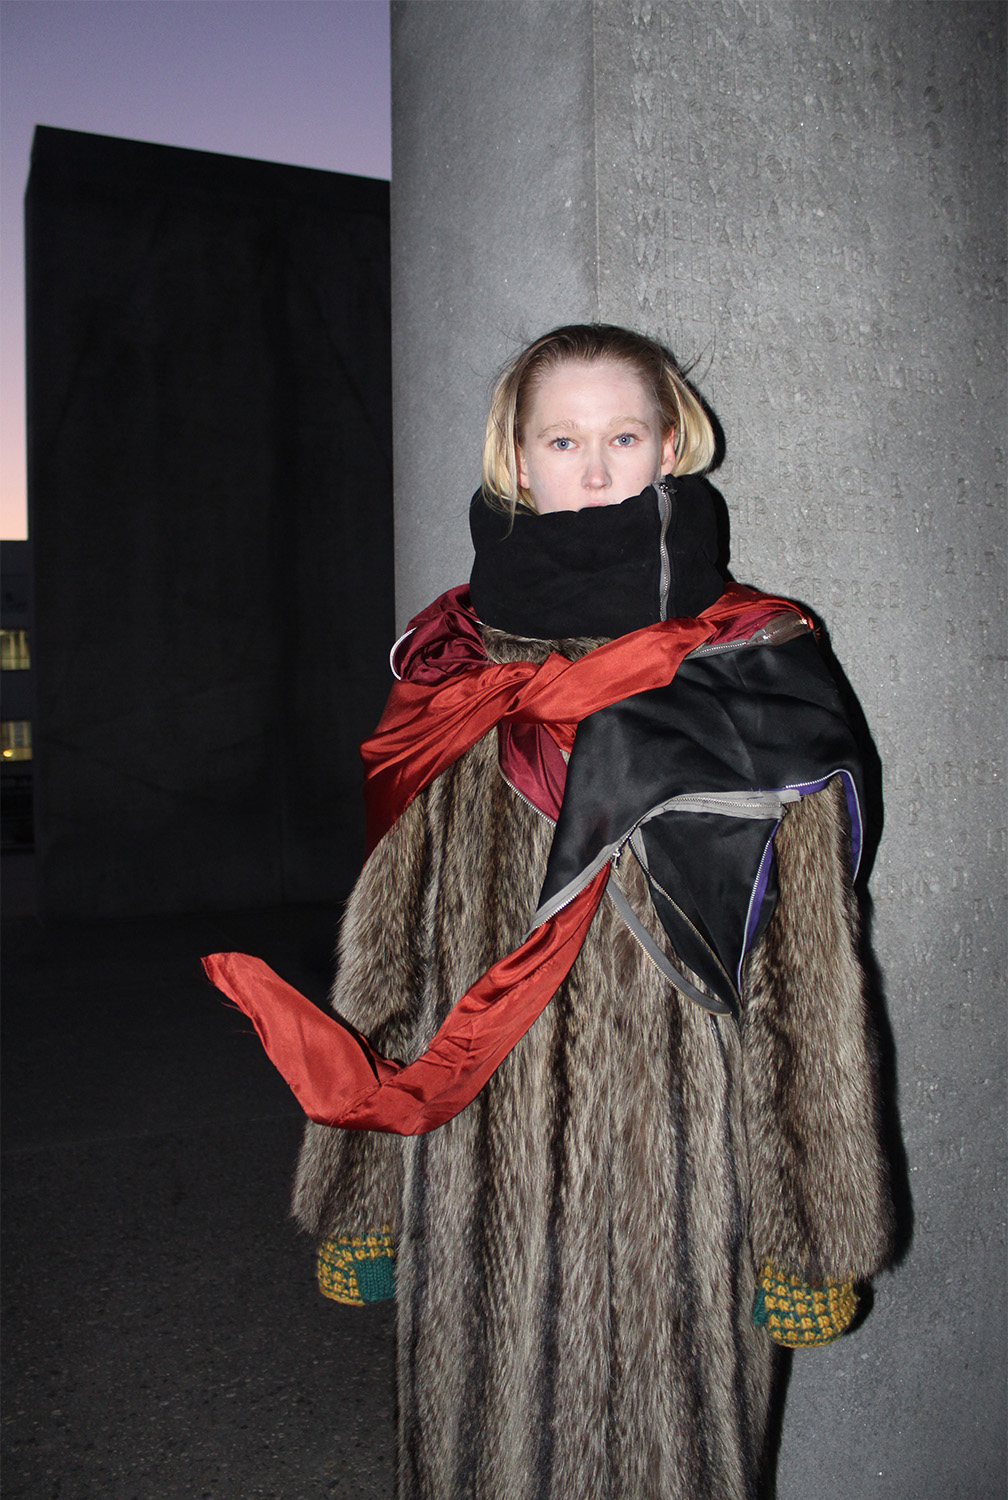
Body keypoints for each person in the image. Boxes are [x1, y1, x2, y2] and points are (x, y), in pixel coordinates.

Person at [204, 323, 893, 1500]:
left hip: (683, 1195)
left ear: (670, 447)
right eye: (561, 438)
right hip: (477, 1203)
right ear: (515, 462)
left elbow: (811, 978)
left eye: (622, 436)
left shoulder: (757, 669)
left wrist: (811, 1224)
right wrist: (360, 1194)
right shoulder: (448, 679)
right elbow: (384, 957)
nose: (593, 465)